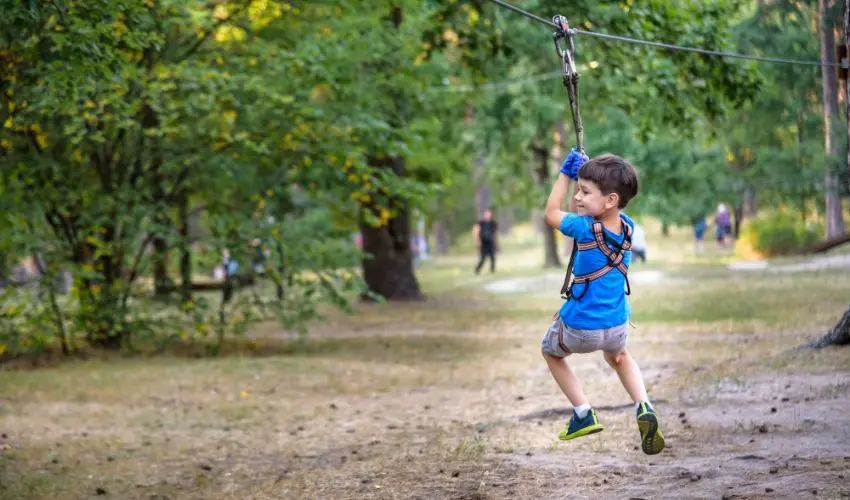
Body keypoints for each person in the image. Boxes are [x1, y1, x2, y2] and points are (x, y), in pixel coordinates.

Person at [541, 148, 665, 455]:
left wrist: (566, 174)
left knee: (550, 352)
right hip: (617, 326)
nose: (578, 197)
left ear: (610, 200)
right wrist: (586, 178)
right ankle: (644, 405)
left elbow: (552, 212)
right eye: (578, 190)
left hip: (582, 329)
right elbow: (586, 210)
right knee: (620, 357)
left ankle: (583, 412)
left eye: (585, 192)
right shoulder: (628, 228)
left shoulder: (583, 229)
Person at [473, 208, 498, 274]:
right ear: (484, 214)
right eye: (486, 213)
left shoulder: (493, 223)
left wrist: (495, 242)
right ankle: (477, 270)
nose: (488, 215)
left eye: (489, 213)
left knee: (493, 257)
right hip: (483, 242)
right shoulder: (480, 223)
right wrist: (477, 241)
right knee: (483, 258)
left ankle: (492, 270)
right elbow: (476, 231)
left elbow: (495, 234)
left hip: (490, 242)